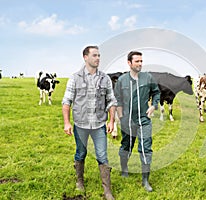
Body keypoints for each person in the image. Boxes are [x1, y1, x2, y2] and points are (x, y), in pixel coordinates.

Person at [62, 45, 116, 200]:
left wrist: (111, 121)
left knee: (102, 155)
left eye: (99, 55)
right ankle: (79, 181)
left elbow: (111, 101)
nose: (98, 58)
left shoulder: (105, 78)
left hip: (99, 124)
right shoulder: (75, 78)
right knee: (81, 152)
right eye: (94, 55)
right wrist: (67, 123)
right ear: (85, 57)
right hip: (81, 124)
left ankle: (107, 191)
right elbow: (67, 101)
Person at [114, 51, 160, 192]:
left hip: (144, 120)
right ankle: (124, 169)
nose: (140, 64)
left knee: (146, 148)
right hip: (127, 120)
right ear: (129, 63)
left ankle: (145, 180)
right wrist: (121, 116)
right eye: (137, 61)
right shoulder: (122, 80)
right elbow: (117, 98)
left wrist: (153, 105)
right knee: (126, 146)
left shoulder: (148, 78)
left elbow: (156, 92)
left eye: (141, 61)